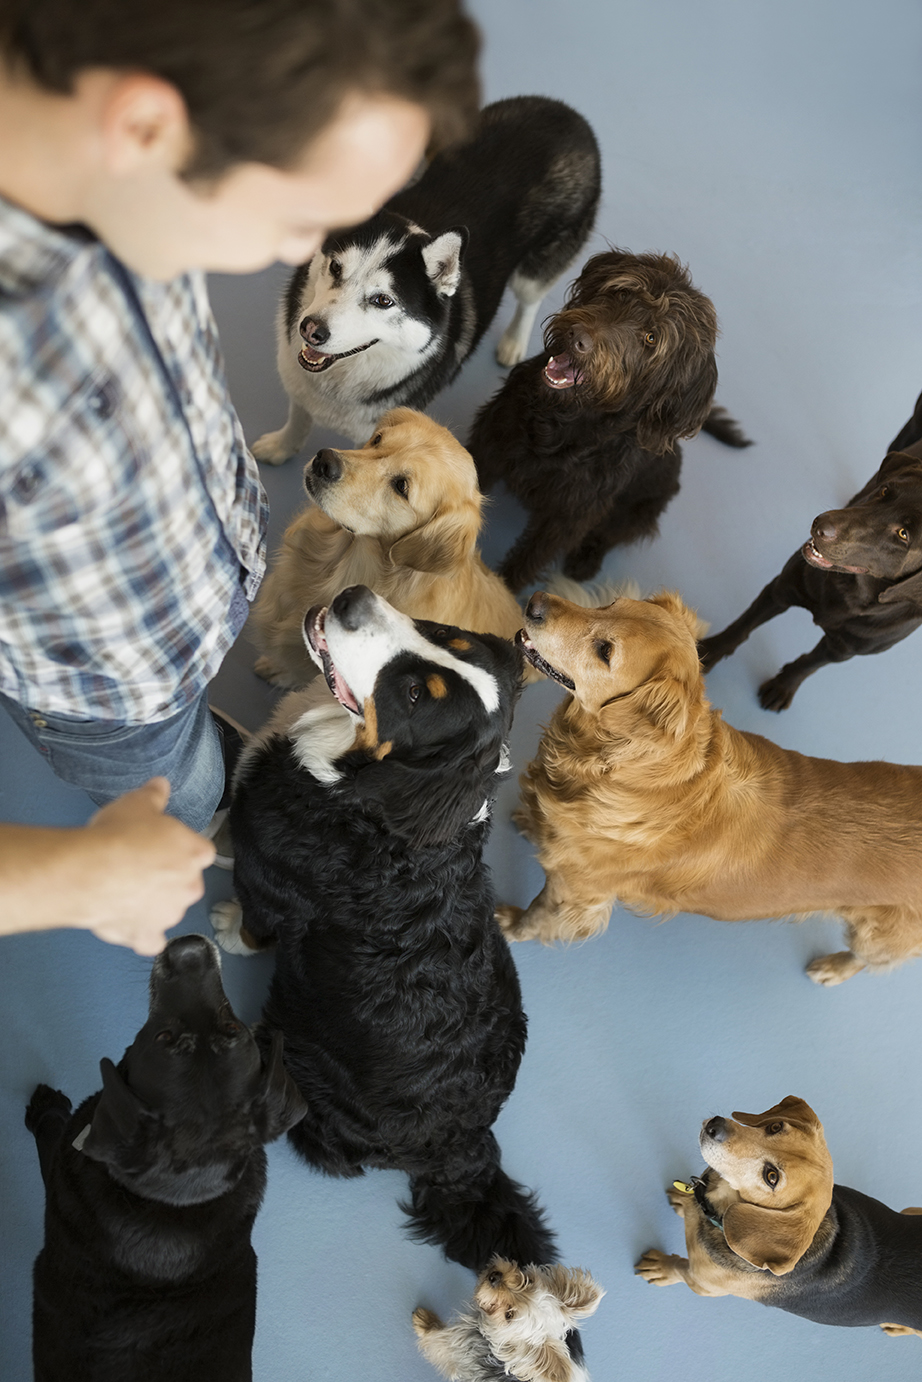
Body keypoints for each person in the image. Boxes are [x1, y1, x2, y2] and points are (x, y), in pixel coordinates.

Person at [0, 0, 480, 953]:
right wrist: (65, 877)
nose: (299, 259)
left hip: (182, 592)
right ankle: (200, 802)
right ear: (143, 126)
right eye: (303, 222)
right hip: (105, 692)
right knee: (181, 785)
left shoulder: (122, 171)